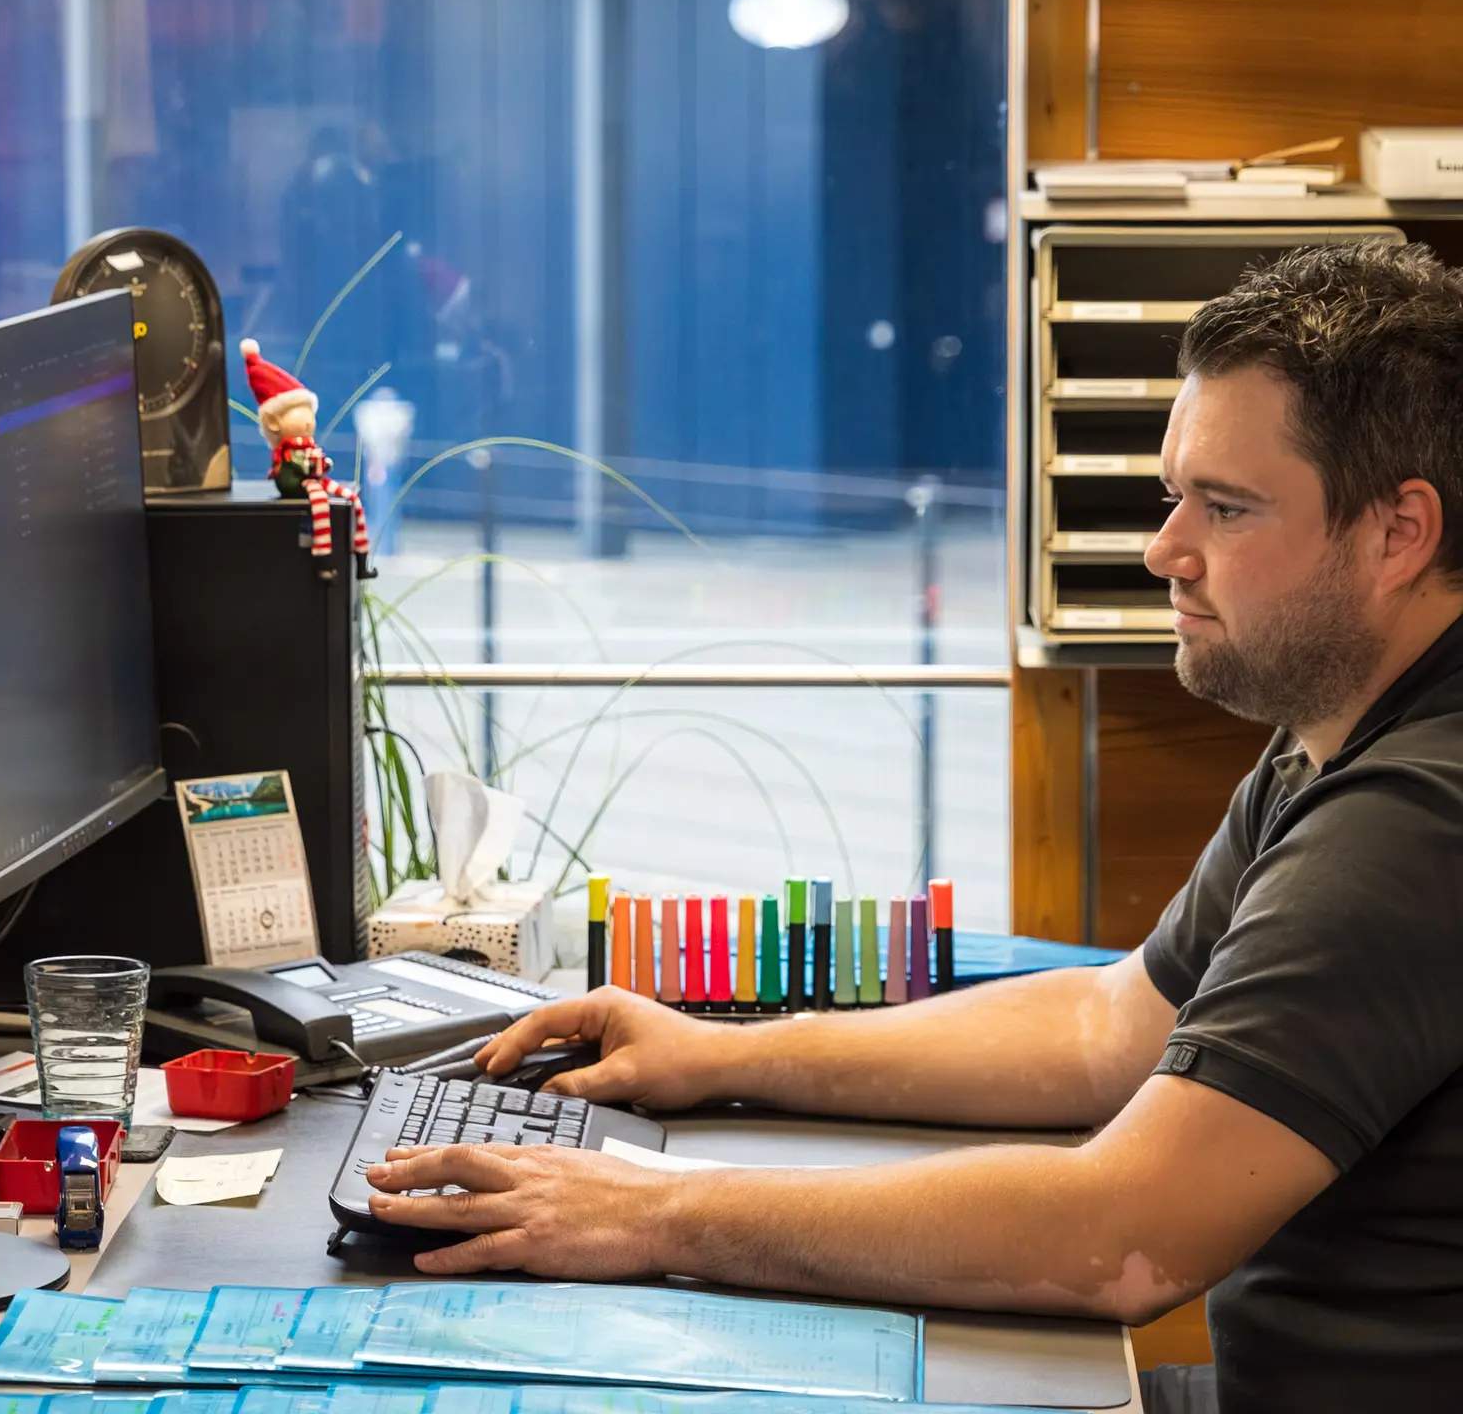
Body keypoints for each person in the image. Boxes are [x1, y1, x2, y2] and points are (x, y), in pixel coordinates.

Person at [364, 241, 1463, 1414]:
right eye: (1172, 496)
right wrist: (720, 1056)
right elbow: (1112, 1026)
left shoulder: (1413, 822)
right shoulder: (1338, 728)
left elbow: (1118, 1232)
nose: (1164, 551)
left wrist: (652, 1211)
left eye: (1228, 509)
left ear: (1398, 532)